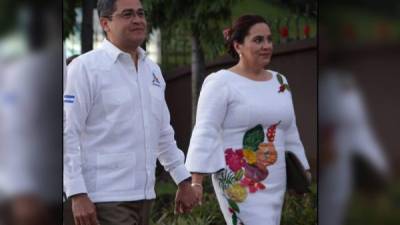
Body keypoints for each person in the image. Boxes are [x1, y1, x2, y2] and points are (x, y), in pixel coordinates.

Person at [63, 0, 197, 225]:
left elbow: (162, 132)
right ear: (105, 23)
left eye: (140, 14)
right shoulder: (85, 68)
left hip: (144, 197)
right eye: (127, 14)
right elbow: (67, 132)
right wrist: (76, 193)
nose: (137, 20)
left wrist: (183, 181)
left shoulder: (152, 70)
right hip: (102, 199)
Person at [185, 15, 311, 225]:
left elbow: (289, 131)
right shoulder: (220, 82)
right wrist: (196, 182)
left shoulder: (280, 82)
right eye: (258, 40)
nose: (266, 46)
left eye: (269, 39)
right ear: (238, 46)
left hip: (275, 179)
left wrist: (302, 171)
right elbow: (205, 130)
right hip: (237, 181)